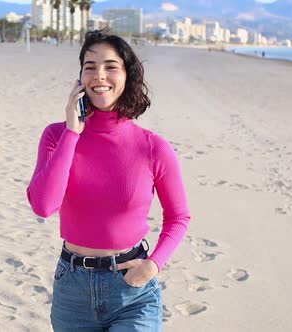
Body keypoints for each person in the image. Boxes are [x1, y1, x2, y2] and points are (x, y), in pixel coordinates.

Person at [26, 29, 191, 331]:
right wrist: (72, 132)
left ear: (127, 75)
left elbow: (179, 216)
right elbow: (44, 205)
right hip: (72, 290)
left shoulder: (153, 147)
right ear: (79, 79)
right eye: (90, 66)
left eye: (110, 66)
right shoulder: (56, 136)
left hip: (132, 290)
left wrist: (154, 264)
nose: (99, 75)